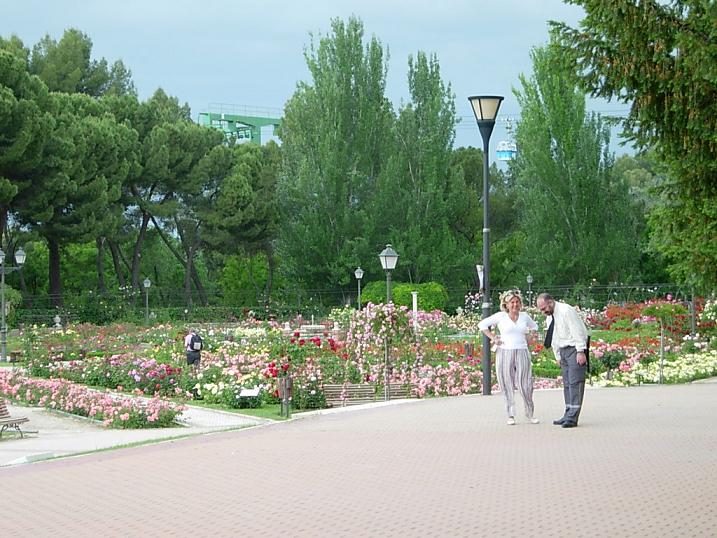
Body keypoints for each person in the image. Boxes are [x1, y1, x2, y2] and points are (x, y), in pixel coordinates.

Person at [478, 289, 540, 426]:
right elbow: (482, 325)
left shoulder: (524, 316)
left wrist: (532, 337)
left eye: (517, 302)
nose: (515, 305)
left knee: (526, 383)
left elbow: (535, 327)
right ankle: (510, 414)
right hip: (505, 351)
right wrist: (493, 337)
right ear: (506, 304)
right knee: (507, 383)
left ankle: (530, 413)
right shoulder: (500, 316)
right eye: (512, 302)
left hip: (522, 350)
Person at [536, 292, 589, 429]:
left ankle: (573, 416)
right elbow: (553, 338)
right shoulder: (550, 317)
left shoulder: (566, 311)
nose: (543, 312)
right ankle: (568, 413)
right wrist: (558, 356)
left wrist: (580, 351)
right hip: (563, 350)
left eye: (543, 308)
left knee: (575, 382)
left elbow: (578, 331)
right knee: (567, 383)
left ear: (550, 302)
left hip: (574, 348)